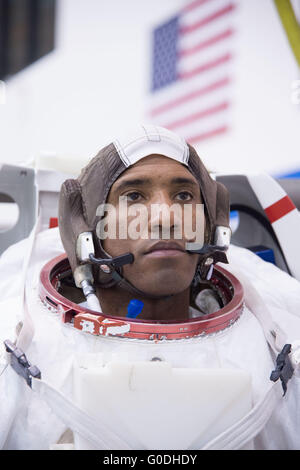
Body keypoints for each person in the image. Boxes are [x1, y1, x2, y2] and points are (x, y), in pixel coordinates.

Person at [0, 125, 300, 450]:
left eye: (184, 195)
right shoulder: (22, 348)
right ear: (87, 231)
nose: (165, 217)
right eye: (134, 196)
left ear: (212, 225)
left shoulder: (273, 344)